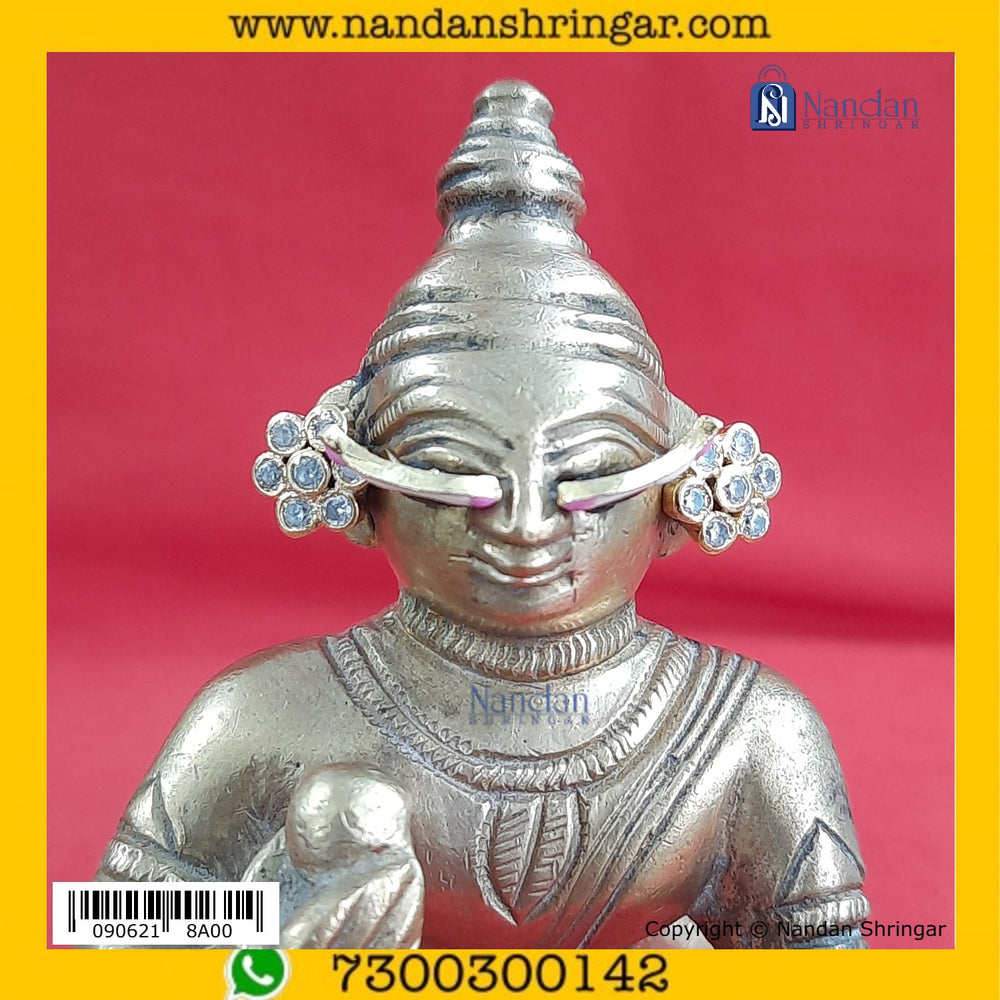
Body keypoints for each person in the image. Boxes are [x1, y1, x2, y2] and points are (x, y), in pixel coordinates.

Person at [97, 81, 868, 949]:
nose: (527, 524)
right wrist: (283, 920)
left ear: (674, 497)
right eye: (454, 471)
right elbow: (116, 928)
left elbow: (825, 959)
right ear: (359, 493)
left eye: (590, 473)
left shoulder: (751, 734)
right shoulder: (265, 716)